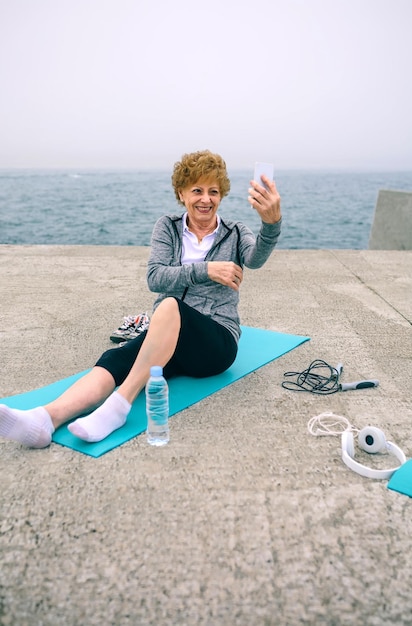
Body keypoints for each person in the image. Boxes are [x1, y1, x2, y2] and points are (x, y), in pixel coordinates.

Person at [0, 150, 282, 449]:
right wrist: (205, 270)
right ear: (181, 193)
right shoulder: (168, 227)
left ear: (222, 195)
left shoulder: (236, 232)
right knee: (115, 360)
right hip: (167, 336)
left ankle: (118, 407)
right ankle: (45, 419)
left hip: (216, 343)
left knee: (171, 306)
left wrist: (271, 224)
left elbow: (255, 259)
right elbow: (155, 278)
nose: (206, 199)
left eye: (213, 191)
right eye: (197, 190)